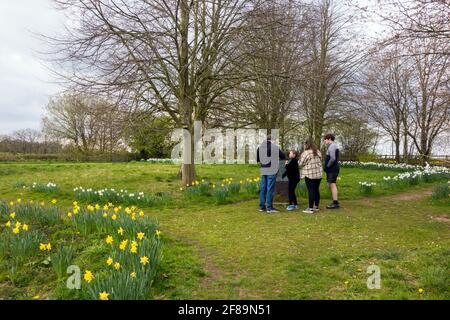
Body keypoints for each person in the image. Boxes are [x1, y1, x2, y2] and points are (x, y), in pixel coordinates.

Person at [257, 135, 286, 213]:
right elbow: (283, 156)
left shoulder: (260, 147)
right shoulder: (274, 147)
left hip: (263, 169)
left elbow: (258, 159)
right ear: (273, 140)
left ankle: (262, 207)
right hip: (271, 169)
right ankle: (269, 207)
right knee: (270, 188)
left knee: (263, 188)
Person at [299, 138, 323, 213]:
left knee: (311, 190)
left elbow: (300, 163)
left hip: (310, 174)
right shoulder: (318, 151)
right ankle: (316, 206)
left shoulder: (306, 153)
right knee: (316, 190)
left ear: (306, 144)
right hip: (318, 174)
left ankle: (310, 208)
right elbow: (321, 160)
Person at [323, 133, 340, 209]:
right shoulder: (332, 146)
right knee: (330, 184)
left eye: (325, 139)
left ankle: (335, 203)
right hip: (331, 169)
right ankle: (334, 201)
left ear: (329, 139)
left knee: (332, 184)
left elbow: (332, 158)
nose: (324, 141)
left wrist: (327, 166)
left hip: (332, 169)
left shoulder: (332, 146)